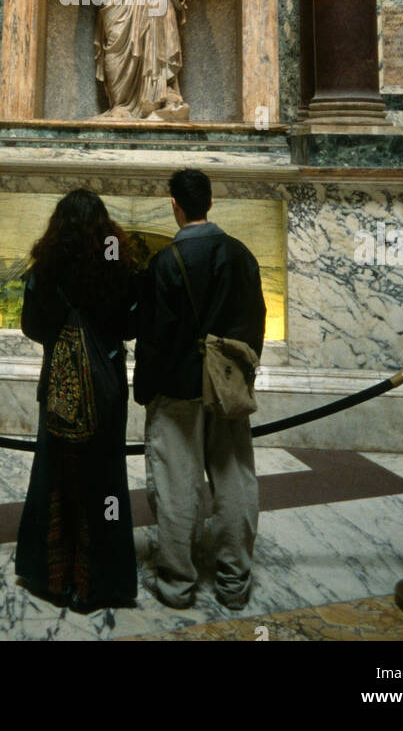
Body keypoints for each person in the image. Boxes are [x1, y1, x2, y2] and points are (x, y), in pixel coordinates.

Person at [134, 168, 266, 610]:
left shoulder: (164, 262)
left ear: (175, 205)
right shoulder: (240, 255)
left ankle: (177, 582)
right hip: (226, 387)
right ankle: (234, 580)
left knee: (176, 485)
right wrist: (239, 373)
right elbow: (256, 319)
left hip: (176, 388)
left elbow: (150, 335)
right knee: (234, 480)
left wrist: (145, 387)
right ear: (209, 202)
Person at [15, 188, 139, 610]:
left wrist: (61, 333)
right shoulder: (115, 264)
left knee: (54, 477)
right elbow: (128, 326)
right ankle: (98, 582)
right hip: (105, 388)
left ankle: (51, 575)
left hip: (60, 386)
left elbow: (30, 326)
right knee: (104, 481)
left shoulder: (46, 266)